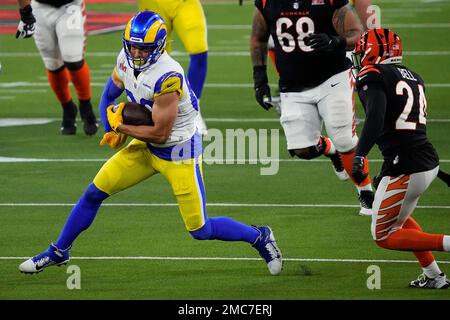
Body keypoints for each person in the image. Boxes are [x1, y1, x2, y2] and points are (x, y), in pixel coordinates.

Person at [18, 11, 282, 276]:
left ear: (158, 47)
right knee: (93, 192)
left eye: (143, 49)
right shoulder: (125, 60)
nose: (136, 53)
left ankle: (259, 236)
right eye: (132, 46)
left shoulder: (168, 75)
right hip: (145, 146)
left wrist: (121, 125)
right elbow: (108, 95)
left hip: (178, 151)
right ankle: (59, 250)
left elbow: (160, 134)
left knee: (200, 230)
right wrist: (109, 127)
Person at [251, 0, 374, 215]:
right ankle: (330, 149)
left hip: (332, 78)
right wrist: (259, 78)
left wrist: (335, 41)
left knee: (344, 138)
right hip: (293, 83)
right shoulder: (267, 2)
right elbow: (258, 38)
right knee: (303, 150)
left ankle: (365, 192)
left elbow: (356, 33)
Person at [351, 28, 450, 289]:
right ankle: (435, 277)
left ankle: (448, 244)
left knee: (382, 235)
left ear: (373, 51)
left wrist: (360, 153)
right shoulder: (414, 77)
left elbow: (375, 116)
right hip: (423, 161)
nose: (360, 56)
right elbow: (408, 130)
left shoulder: (373, 74)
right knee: (400, 218)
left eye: (363, 50)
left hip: (406, 166)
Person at [16, 0, 98, 136]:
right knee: (52, 64)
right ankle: (67, 107)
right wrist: (26, 13)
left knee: (73, 59)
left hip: (69, 6)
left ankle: (85, 105)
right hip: (39, 8)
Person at [138, 0, 208, 136]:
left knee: (199, 50)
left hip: (184, 2)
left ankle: (192, 112)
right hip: (154, 3)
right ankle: (153, 109)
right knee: (154, 58)